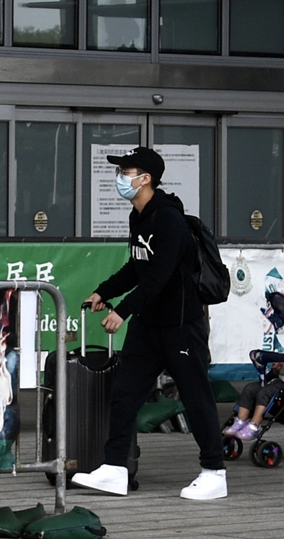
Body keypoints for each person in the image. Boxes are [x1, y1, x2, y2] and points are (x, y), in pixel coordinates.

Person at [70, 147, 228, 500]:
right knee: (125, 394)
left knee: (196, 396)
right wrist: (103, 292)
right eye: (121, 171)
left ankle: (214, 472)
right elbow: (137, 267)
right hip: (149, 324)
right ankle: (114, 469)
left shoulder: (168, 219)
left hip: (181, 325)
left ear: (146, 179)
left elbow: (160, 275)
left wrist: (122, 310)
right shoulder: (138, 216)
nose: (120, 177)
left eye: (127, 171)